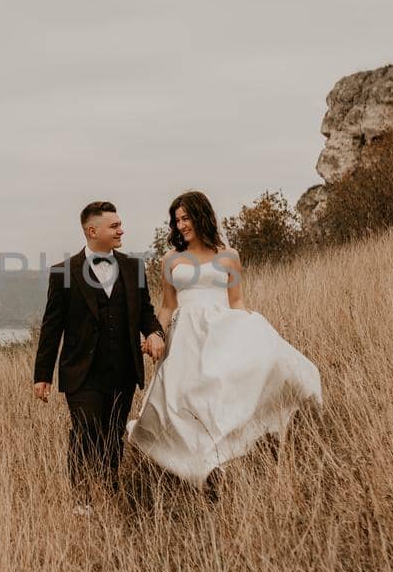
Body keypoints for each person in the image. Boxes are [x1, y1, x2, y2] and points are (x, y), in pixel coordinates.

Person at [126, 190, 322, 494]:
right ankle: (199, 468)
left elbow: (237, 300)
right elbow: (167, 306)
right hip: (186, 337)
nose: (181, 225)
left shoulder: (229, 255)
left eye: (186, 218)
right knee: (186, 400)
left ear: (201, 216)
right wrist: (155, 335)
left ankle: (224, 462)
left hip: (222, 330)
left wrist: (251, 327)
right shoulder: (171, 259)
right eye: (176, 220)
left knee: (222, 393)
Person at [33, 201, 166, 513]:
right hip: (81, 371)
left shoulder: (134, 268)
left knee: (113, 434)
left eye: (120, 224)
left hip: (122, 368)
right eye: (114, 226)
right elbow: (52, 327)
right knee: (86, 429)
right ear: (92, 231)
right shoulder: (63, 273)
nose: (121, 230)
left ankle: (110, 486)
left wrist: (155, 333)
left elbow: (145, 310)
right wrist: (42, 375)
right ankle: (82, 500)